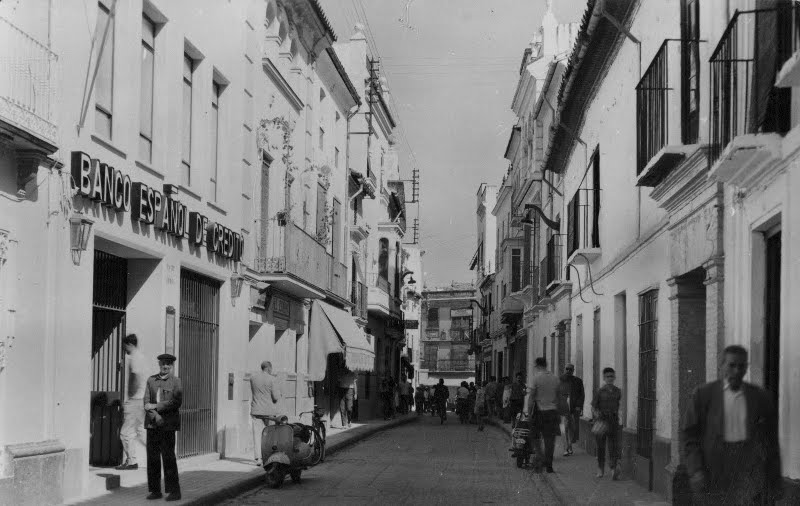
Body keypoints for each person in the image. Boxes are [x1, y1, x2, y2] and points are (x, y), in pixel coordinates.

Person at [682, 345, 782, 505]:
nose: (736, 371)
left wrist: (774, 478)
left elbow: (770, 441)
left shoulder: (760, 397)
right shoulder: (703, 395)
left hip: (747, 468)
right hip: (713, 467)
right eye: (732, 365)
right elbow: (690, 435)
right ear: (722, 366)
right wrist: (696, 469)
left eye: (741, 366)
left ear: (746, 368)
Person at [144, 354, 183, 501]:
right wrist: (156, 416)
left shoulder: (176, 382)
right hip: (153, 425)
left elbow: (176, 402)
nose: (165, 366)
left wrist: (157, 406)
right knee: (152, 458)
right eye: (163, 363)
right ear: (159, 364)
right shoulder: (151, 380)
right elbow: (146, 402)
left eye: (168, 364)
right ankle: (155, 490)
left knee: (168, 458)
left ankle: (174, 491)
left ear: (172, 366)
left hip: (168, 426)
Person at [117, 334, 148, 471]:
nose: (123, 348)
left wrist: (130, 395)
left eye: (124, 345)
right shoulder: (142, 356)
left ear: (129, 344)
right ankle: (160, 452)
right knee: (141, 431)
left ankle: (131, 462)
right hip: (142, 399)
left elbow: (135, 377)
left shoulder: (134, 357)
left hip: (135, 400)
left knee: (125, 433)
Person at [527, 357, 561, 474]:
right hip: (552, 411)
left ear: (537, 365)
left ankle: (540, 457)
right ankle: (549, 465)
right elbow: (558, 396)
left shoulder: (536, 378)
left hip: (539, 411)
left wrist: (528, 412)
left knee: (535, 437)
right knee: (550, 439)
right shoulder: (555, 378)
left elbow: (531, 397)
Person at [592, 367, 622, 479]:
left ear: (614, 377)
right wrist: (597, 416)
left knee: (613, 446)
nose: (610, 378)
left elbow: (618, 406)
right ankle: (600, 469)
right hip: (602, 421)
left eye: (612, 376)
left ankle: (613, 469)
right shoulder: (600, 392)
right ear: (604, 378)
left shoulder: (618, 391)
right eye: (608, 376)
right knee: (601, 447)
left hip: (613, 421)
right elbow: (594, 407)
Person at [250, 361, 282, 464]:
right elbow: (276, 397)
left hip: (256, 410)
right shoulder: (272, 379)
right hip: (269, 412)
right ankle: (268, 457)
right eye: (271, 369)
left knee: (257, 434)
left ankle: (258, 458)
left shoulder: (253, 378)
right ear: (269, 368)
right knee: (269, 435)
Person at [559, 364, 585, 456]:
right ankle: (565, 448)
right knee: (563, 428)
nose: (568, 371)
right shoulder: (559, 380)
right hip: (562, 407)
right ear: (564, 369)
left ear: (573, 370)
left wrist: (579, 406)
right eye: (567, 369)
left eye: (570, 369)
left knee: (572, 428)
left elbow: (581, 395)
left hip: (574, 408)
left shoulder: (578, 381)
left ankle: (569, 445)